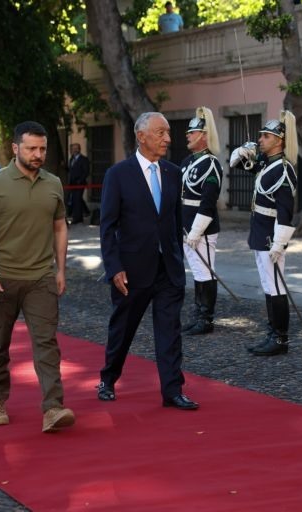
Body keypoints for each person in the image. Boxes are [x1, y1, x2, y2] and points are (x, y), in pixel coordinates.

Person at [0, 121, 75, 433]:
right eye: (31, 148)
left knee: (47, 344)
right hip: (3, 278)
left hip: (41, 277)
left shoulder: (53, 183)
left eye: (42, 148)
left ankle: (53, 408)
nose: (38, 154)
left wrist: (60, 269)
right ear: (15, 148)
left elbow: (60, 227)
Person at [97, 112, 198, 411]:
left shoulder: (172, 172)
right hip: (131, 270)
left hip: (168, 269)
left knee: (170, 330)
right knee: (123, 329)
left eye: (167, 132)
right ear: (141, 136)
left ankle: (172, 390)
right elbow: (108, 226)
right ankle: (108, 378)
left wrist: (178, 258)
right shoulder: (118, 174)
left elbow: (174, 220)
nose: (168, 138)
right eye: (160, 133)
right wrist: (114, 267)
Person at [230, 110, 298, 356]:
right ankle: (272, 333)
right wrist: (242, 151)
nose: (261, 140)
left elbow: (285, 211)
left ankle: (280, 339)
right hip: (260, 231)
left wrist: (279, 243)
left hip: (271, 235)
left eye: (266, 137)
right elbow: (236, 164)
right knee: (268, 287)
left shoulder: (283, 169)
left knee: (276, 287)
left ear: (279, 140)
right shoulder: (267, 164)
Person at [181, 107, 223, 335]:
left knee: (205, 271)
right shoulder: (188, 161)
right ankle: (199, 314)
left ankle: (206, 319)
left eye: (192, 132)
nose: (187, 135)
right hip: (187, 226)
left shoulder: (212, 164)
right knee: (197, 272)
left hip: (202, 228)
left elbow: (208, 202)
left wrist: (196, 231)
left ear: (204, 135)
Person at [67, 143, 90, 225]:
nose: (74, 150)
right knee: (76, 199)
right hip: (72, 183)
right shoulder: (71, 159)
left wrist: (80, 180)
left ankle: (77, 218)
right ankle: (86, 211)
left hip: (80, 183)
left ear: (79, 149)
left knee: (77, 199)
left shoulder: (84, 159)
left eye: (76, 148)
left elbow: (86, 171)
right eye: (73, 149)